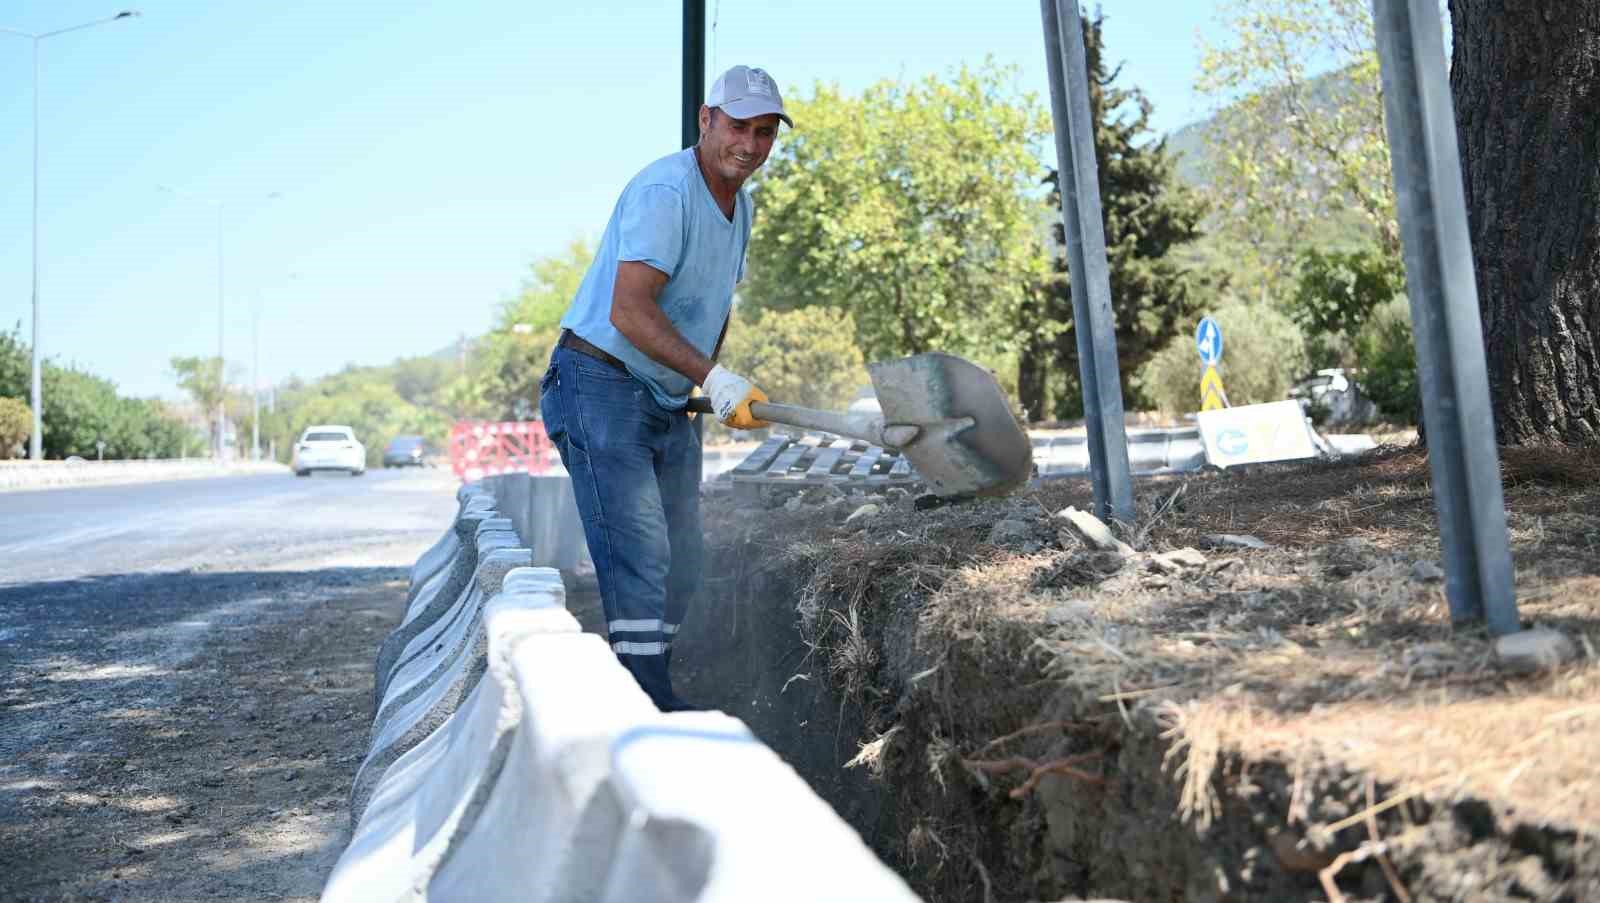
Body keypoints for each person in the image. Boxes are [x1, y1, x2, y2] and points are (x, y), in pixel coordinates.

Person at [538, 65, 791, 711]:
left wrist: (711, 381)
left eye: (765, 132)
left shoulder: (742, 205)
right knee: (641, 553)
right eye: (739, 126)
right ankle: (644, 706)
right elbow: (630, 310)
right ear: (706, 120)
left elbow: (713, 302)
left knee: (684, 562)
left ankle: (651, 681)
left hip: (664, 395)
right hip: (599, 383)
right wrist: (712, 374)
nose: (751, 144)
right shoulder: (665, 191)